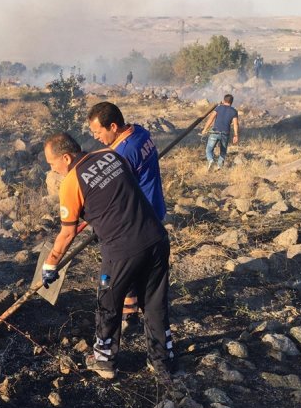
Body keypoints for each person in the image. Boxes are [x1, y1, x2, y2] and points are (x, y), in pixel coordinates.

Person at [41, 133, 175, 381]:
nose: (52, 168)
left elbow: (67, 232)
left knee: (108, 305)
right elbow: (120, 192)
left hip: (122, 251)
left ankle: (104, 361)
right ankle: (161, 361)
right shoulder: (110, 155)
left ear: (66, 157)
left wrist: (51, 263)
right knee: (154, 303)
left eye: (52, 163)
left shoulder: (71, 183)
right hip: (156, 238)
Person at [87, 102, 166, 331]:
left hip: (138, 219)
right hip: (154, 209)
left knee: (121, 267)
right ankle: (132, 309)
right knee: (142, 268)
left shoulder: (122, 154)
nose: (96, 137)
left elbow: (113, 196)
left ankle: (126, 315)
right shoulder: (141, 132)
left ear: (113, 126)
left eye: (98, 132)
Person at [200, 94, 239, 170]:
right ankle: (219, 167)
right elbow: (235, 124)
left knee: (209, 149)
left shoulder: (218, 108)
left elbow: (211, 119)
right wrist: (236, 135)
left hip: (215, 132)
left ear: (224, 100)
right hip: (225, 134)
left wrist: (205, 129)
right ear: (232, 102)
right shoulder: (234, 111)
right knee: (223, 151)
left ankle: (211, 160)